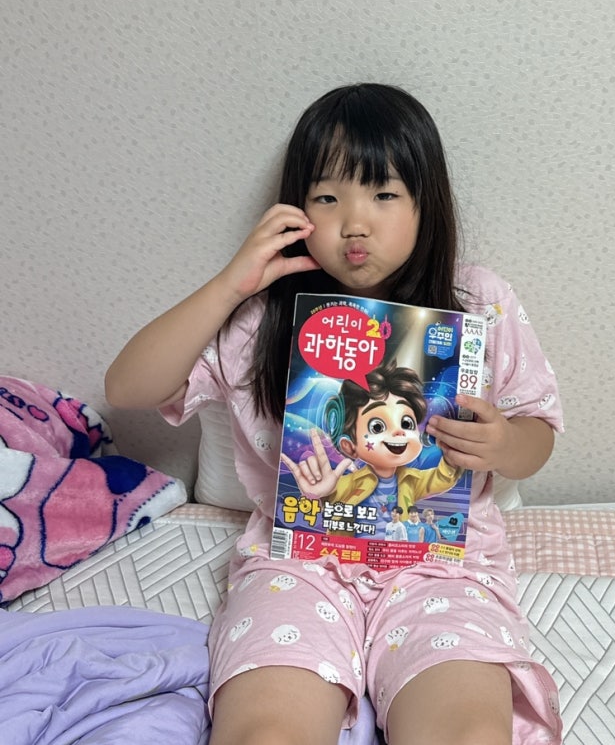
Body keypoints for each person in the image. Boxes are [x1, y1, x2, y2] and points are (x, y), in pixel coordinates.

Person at [105, 83, 564, 745]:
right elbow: (127, 387)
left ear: (426, 202)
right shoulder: (264, 317)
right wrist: (232, 283)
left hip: (441, 565)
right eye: (327, 197)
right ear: (296, 208)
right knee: (264, 734)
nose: (355, 223)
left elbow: (537, 434)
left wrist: (501, 443)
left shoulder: (475, 301)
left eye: (384, 194)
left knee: (469, 733)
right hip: (299, 562)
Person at [282, 359, 463, 538]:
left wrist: (452, 456)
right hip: (350, 551)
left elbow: (441, 479)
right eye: (377, 427)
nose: (399, 432)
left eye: (407, 423)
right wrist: (318, 494)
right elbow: (328, 500)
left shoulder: (411, 480)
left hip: (397, 551)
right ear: (349, 447)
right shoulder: (349, 483)